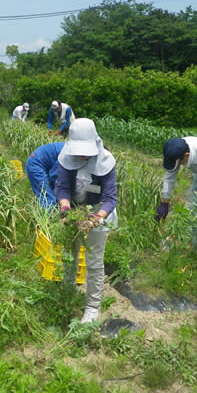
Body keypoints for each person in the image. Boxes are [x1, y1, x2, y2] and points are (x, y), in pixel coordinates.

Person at [55, 118, 117, 323]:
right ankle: (67, 291)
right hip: (74, 210)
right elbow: (62, 187)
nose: (82, 155)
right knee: (69, 255)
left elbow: (109, 198)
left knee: (94, 261)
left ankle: (92, 307)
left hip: (98, 213)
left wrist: (96, 219)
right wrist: (65, 208)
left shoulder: (105, 161)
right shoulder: (66, 158)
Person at [25, 142, 66, 208]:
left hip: (46, 163)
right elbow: (55, 176)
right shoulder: (68, 155)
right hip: (36, 163)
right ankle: (49, 216)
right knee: (48, 198)